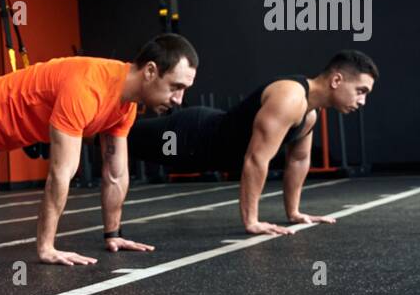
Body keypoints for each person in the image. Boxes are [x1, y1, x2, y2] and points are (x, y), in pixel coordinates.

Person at [0, 33, 199, 265]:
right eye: (175, 87)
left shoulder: (126, 107)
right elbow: (61, 172)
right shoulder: (88, 86)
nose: (178, 99)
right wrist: (46, 247)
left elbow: (116, 173)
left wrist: (113, 234)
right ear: (150, 71)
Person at [128, 49, 378, 235]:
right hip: (187, 138)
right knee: (117, 136)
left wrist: (294, 213)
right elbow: (256, 158)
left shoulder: (309, 114)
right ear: (336, 81)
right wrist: (252, 221)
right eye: (361, 91)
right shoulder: (290, 98)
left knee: (115, 138)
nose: (362, 102)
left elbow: (299, 159)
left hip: (204, 153)